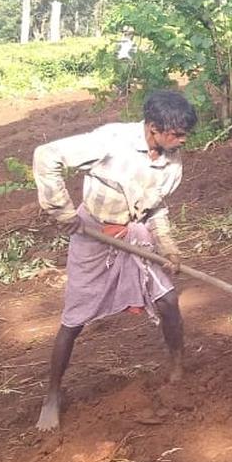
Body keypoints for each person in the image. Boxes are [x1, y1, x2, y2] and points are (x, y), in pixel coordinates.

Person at [31, 90, 197, 431]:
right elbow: (46, 156)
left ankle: (178, 364)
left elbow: (156, 206)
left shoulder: (172, 160)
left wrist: (167, 245)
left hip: (135, 234)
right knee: (74, 320)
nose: (183, 140)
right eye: (176, 133)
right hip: (93, 236)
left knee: (167, 300)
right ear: (153, 128)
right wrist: (63, 213)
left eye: (185, 134)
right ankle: (52, 395)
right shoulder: (110, 141)